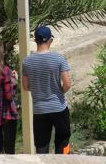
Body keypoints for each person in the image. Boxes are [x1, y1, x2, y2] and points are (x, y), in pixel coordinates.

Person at [22, 26, 71, 154]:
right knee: (63, 139)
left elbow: (25, 86)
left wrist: (38, 89)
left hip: (39, 109)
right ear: (50, 40)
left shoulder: (27, 61)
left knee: (41, 145)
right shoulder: (58, 58)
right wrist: (60, 91)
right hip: (58, 107)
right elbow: (67, 84)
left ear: (35, 40)